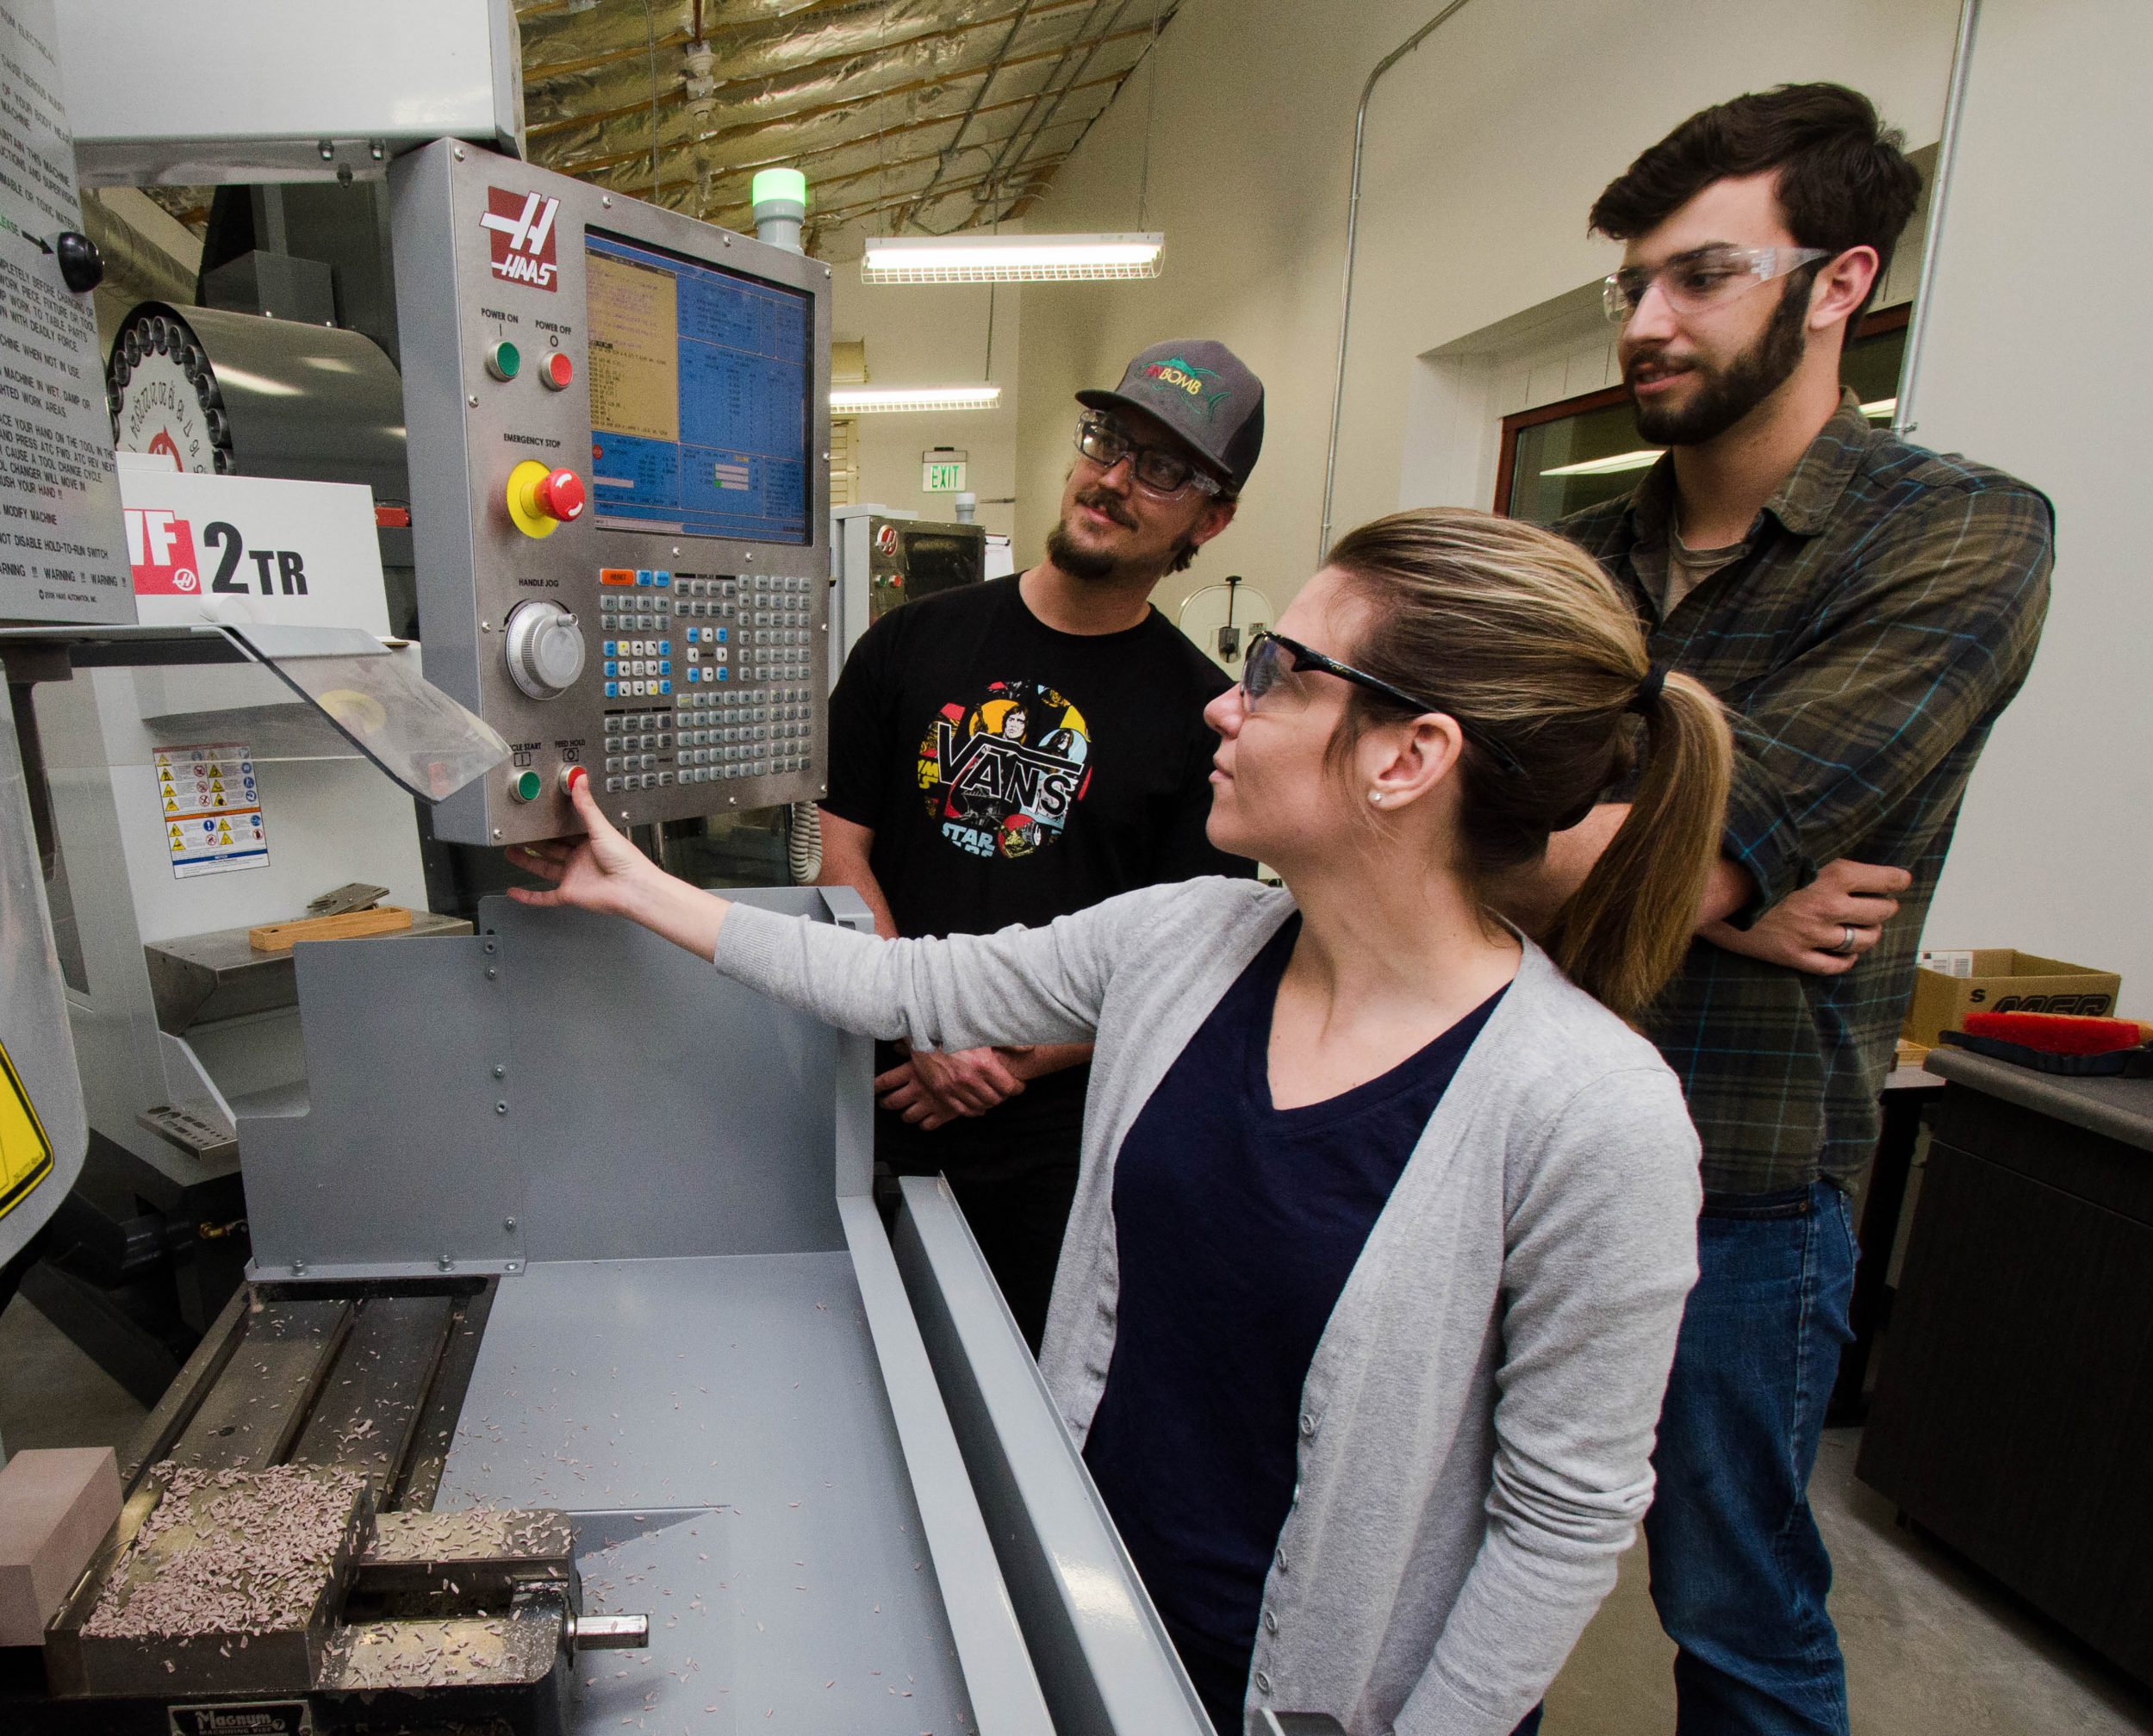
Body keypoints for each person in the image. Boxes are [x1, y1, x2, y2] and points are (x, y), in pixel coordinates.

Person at [510, 506, 1729, 1736]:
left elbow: (1561, 1524)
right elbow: (911, 981)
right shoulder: (1187, 938)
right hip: (1102, 1634)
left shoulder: (1591, 1114)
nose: (1223, 703)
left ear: (1405, 757)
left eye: (1276, 674)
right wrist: (641, 886)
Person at [1518, 84, 2055, 1734]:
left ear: (1840, 282)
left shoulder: (1962, 537)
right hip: (1507, 1134)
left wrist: (1638, 863)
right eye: (1632, 286)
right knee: (1459, 1566)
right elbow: (1416, 825)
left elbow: (1511, 844)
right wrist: (1717, 895)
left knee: (1734, 1604)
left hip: (1739, 1188)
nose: (1647, 321)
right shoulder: (1573, 559)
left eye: (1700, 275)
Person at [817, 339, 1266, 1347]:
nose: (1112, 478)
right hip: (871, 1098)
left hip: (1053, 1155)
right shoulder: (908, 643)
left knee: (1012, 1410)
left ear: (1212, 515)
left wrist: (1007, 1060)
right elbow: (839, 849)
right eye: (1107, 440)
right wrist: (925, 1026)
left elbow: (1183, 962)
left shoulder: (1211, 717)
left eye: (1161, 468)